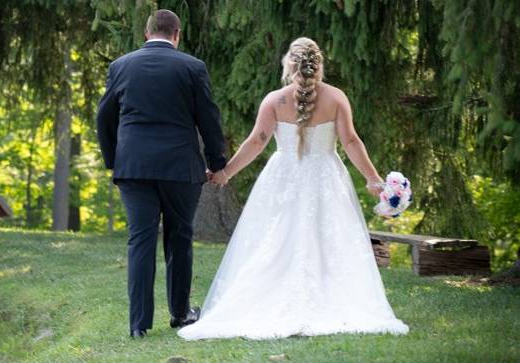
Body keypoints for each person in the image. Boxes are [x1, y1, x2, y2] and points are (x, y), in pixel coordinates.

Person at [179, 37, 409, 340]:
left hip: (282, 178)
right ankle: (332, 299)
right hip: (326, 177)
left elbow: (257, 141)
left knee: (276, 237)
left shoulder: (274, 100)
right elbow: (351, 141)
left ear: (289, 64)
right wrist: (373, 179)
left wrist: (226, 173)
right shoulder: (336, 98)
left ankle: (271, 298)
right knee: (330, 238)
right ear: (319, 65)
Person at [96, 9, 227, 338]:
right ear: (177, 34)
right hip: (180, 168)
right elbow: (208, 119)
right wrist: (217, 163)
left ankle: (138, 325)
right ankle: (181, 314)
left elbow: (104, 117)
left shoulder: (121, 66)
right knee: (179, 239)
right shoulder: (192, 68)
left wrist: (114, 160)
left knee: (140, 240)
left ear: (146, 32)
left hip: (134, 168)